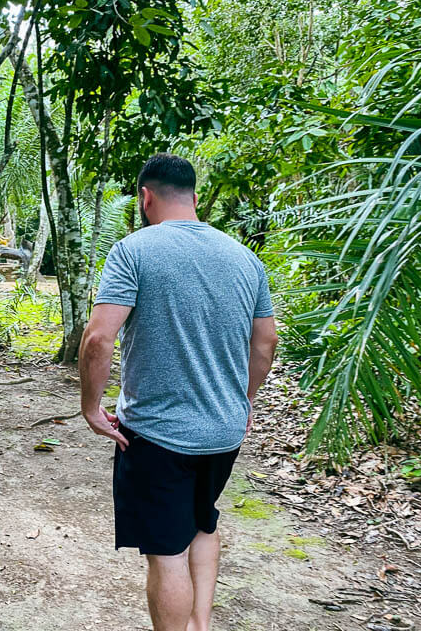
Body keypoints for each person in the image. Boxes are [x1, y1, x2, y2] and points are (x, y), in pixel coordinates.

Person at [78, 153, 278, 631]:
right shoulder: (245, 257)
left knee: (166, 553)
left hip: (158, 433)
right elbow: (266, 342)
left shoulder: (134, 250)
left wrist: (91, 407)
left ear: (146, 197)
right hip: (225, 430)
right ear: (193, 195)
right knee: (202, 523)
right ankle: (200, 625)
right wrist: (243, 400)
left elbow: (99, 338)